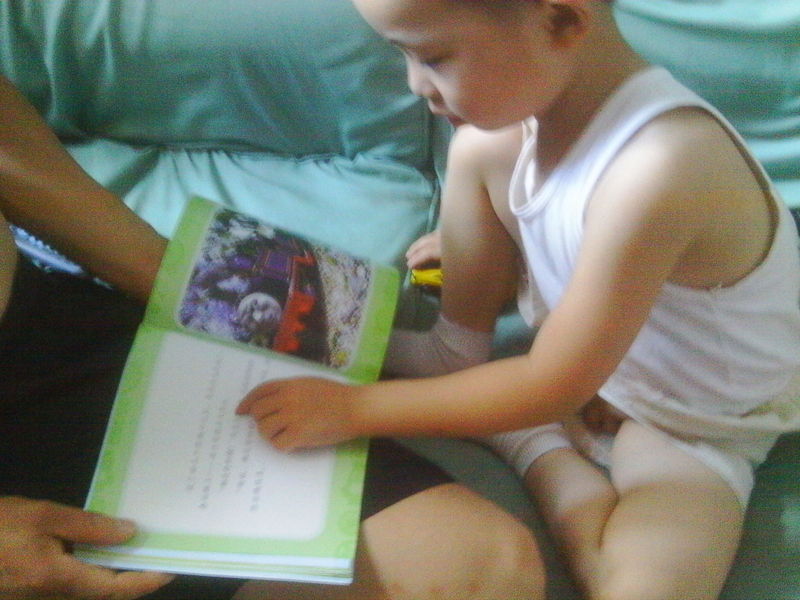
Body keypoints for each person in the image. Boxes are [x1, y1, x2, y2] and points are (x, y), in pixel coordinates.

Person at [235, 2, 800, 600]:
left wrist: (354, 410)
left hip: (697, 420)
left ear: (560, 20)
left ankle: (536, 446)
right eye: (403, 55)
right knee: (481, 147)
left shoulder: (661, 169)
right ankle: (456, 352)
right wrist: (493, 243)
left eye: (433, 58)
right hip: (606, 367)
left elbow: (553, 385)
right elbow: (575, 214)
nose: (415, 85)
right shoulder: (517, 128)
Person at [0, 73, 543, 600]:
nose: (417, 85)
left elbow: (29, 169)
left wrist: (197, 293)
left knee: (484, 566)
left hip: (53, 331)